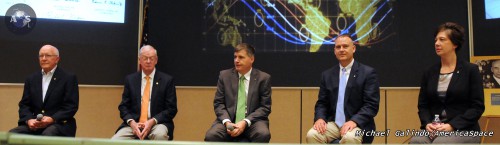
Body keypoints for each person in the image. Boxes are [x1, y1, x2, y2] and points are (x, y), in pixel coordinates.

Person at [410, 22, 485, 144]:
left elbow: (477, 107)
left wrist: (452, 126)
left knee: (441, 143)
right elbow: (423, 105)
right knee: (417, 141)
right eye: (435, 40)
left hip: (463, 129)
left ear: (455, 44)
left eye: (442, 40)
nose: (437, 43)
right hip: (435, 128)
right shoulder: (429, 72)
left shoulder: (470, 70)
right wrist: (427, 123)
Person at [306, 34, 380, 144]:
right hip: (334, 124)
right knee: (312, 135)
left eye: (345, 46)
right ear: (334, 50)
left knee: (350, 138)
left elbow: (371, 105)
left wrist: (354, 121)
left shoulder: (368, 73)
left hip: (358, 125)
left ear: (353, 48)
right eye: (338, 47)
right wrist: (320, 118)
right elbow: (322, 103)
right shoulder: (327, 75)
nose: (341, 50)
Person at [204, 43, 272, 142]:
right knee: (211, 136)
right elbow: (218, 103)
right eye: (235, 57)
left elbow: (265, 107)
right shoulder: (224, 76)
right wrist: (227, 122)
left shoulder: (263, 78)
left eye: (241, 57)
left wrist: (245, 122)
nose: (236, 60)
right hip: (229, 121)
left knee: (263, 134)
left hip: (252, 122)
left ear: (251, 59)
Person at [9, 45, 79, 137]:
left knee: (48, 134)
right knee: (12, 135)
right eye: (41, 56)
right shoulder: (31, 79)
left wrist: (52, 119)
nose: (44, 58)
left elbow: (71, 106)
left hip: (59, 124)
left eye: (48, 55)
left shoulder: (68, 78)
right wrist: (29, 120)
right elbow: (24, 105)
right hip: (36, 124)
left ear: (57, 59)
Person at [112, 45, 177, 140]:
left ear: (156, 60)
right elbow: (123, 107)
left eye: (151, 58)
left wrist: (152, 121)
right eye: (145, 58)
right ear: (139, 60)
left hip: (157, 123)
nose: (148, 61)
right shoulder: (130, 80)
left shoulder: (167, 80)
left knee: (160, 135)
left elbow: (171, 109)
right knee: (115, 140)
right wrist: (132, 122)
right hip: (134, 124)